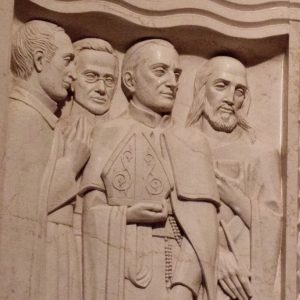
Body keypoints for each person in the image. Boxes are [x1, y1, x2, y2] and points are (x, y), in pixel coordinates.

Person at [80, 39, 220, 300]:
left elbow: (204, 226)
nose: (173, 82)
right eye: (160, 71)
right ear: (130, 81)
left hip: (173, 271)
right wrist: (128, 214)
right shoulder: (107, 133)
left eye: (176, 74)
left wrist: (184, 286)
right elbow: (91, 212)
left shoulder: (193, 142)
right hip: (118, 272)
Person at [0, 20, 90, 300]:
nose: (73, 74)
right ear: (40, 60)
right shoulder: (22, 117)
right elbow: (19, 212)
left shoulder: (42, 118)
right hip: (40, 259)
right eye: (67, 61)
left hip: (55, 250)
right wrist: (72, 164)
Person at [186, 56, 282, 300]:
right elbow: (165, 217)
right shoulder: (179, 144)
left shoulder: (261, 154)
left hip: (241, 284)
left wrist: (237, 199)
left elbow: (273, 225)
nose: (231, 99)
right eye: (221, 86)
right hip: (186, 277)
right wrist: (213, 253)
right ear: (201, 90)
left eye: (239, 91)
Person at [62, 38, 120, 297]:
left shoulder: (123, 135)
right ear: (72, 79)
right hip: (67, 245)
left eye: (109, 80)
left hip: (118, 253)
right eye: (91, 76)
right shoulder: (57, 132)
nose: (101, 88)